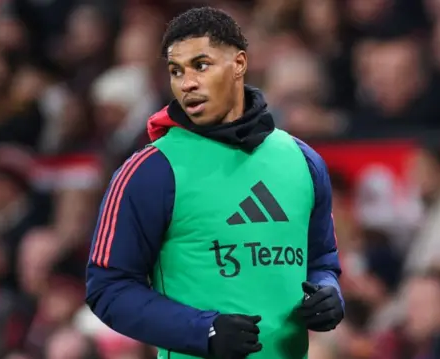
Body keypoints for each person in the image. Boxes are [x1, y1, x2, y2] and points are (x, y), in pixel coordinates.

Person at [85, 7, 344, 359]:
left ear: (238, 64)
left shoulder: (303, 160)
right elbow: (107, 287)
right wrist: (201, 330)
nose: (186, 83)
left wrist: (329, 293)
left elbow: (322, 259)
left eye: (200, 65)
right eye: (176, 71)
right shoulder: (150, 170)